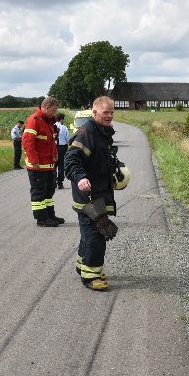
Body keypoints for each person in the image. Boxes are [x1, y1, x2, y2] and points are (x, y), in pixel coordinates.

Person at [64, 96, 121, 291]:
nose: (110, 115)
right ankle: (91, 276)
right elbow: (71, 160)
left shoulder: (102, 132)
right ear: (94, 112)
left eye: (112, 112)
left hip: (99, 193)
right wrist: (80, 178)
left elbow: (101, 159)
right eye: (106, 112)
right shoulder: (86, 133)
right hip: (88, 197)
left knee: (88, 234)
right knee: (96, 235)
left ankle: (84, 266)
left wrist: (115, 171)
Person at [22, 96, 65, 227]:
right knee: (39, 192)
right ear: (45, 108)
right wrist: (34, 160)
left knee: (49, 191)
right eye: (53, 111)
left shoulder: (48, 121)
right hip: (38, 165)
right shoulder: (34, 121)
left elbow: (51, 141)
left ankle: (50, 215)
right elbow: (28, 142)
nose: (54, 113)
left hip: (48, 164)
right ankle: (42, 219)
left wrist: (55, 155)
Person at [55, 113, 70, 189]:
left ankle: (52, 182)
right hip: (62, 148)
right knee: (61, 166)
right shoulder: (63, 127)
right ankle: (60, 183)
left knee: (53, 166)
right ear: (61, 119)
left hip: (53, 148)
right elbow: (68, 139)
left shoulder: (52, 126)